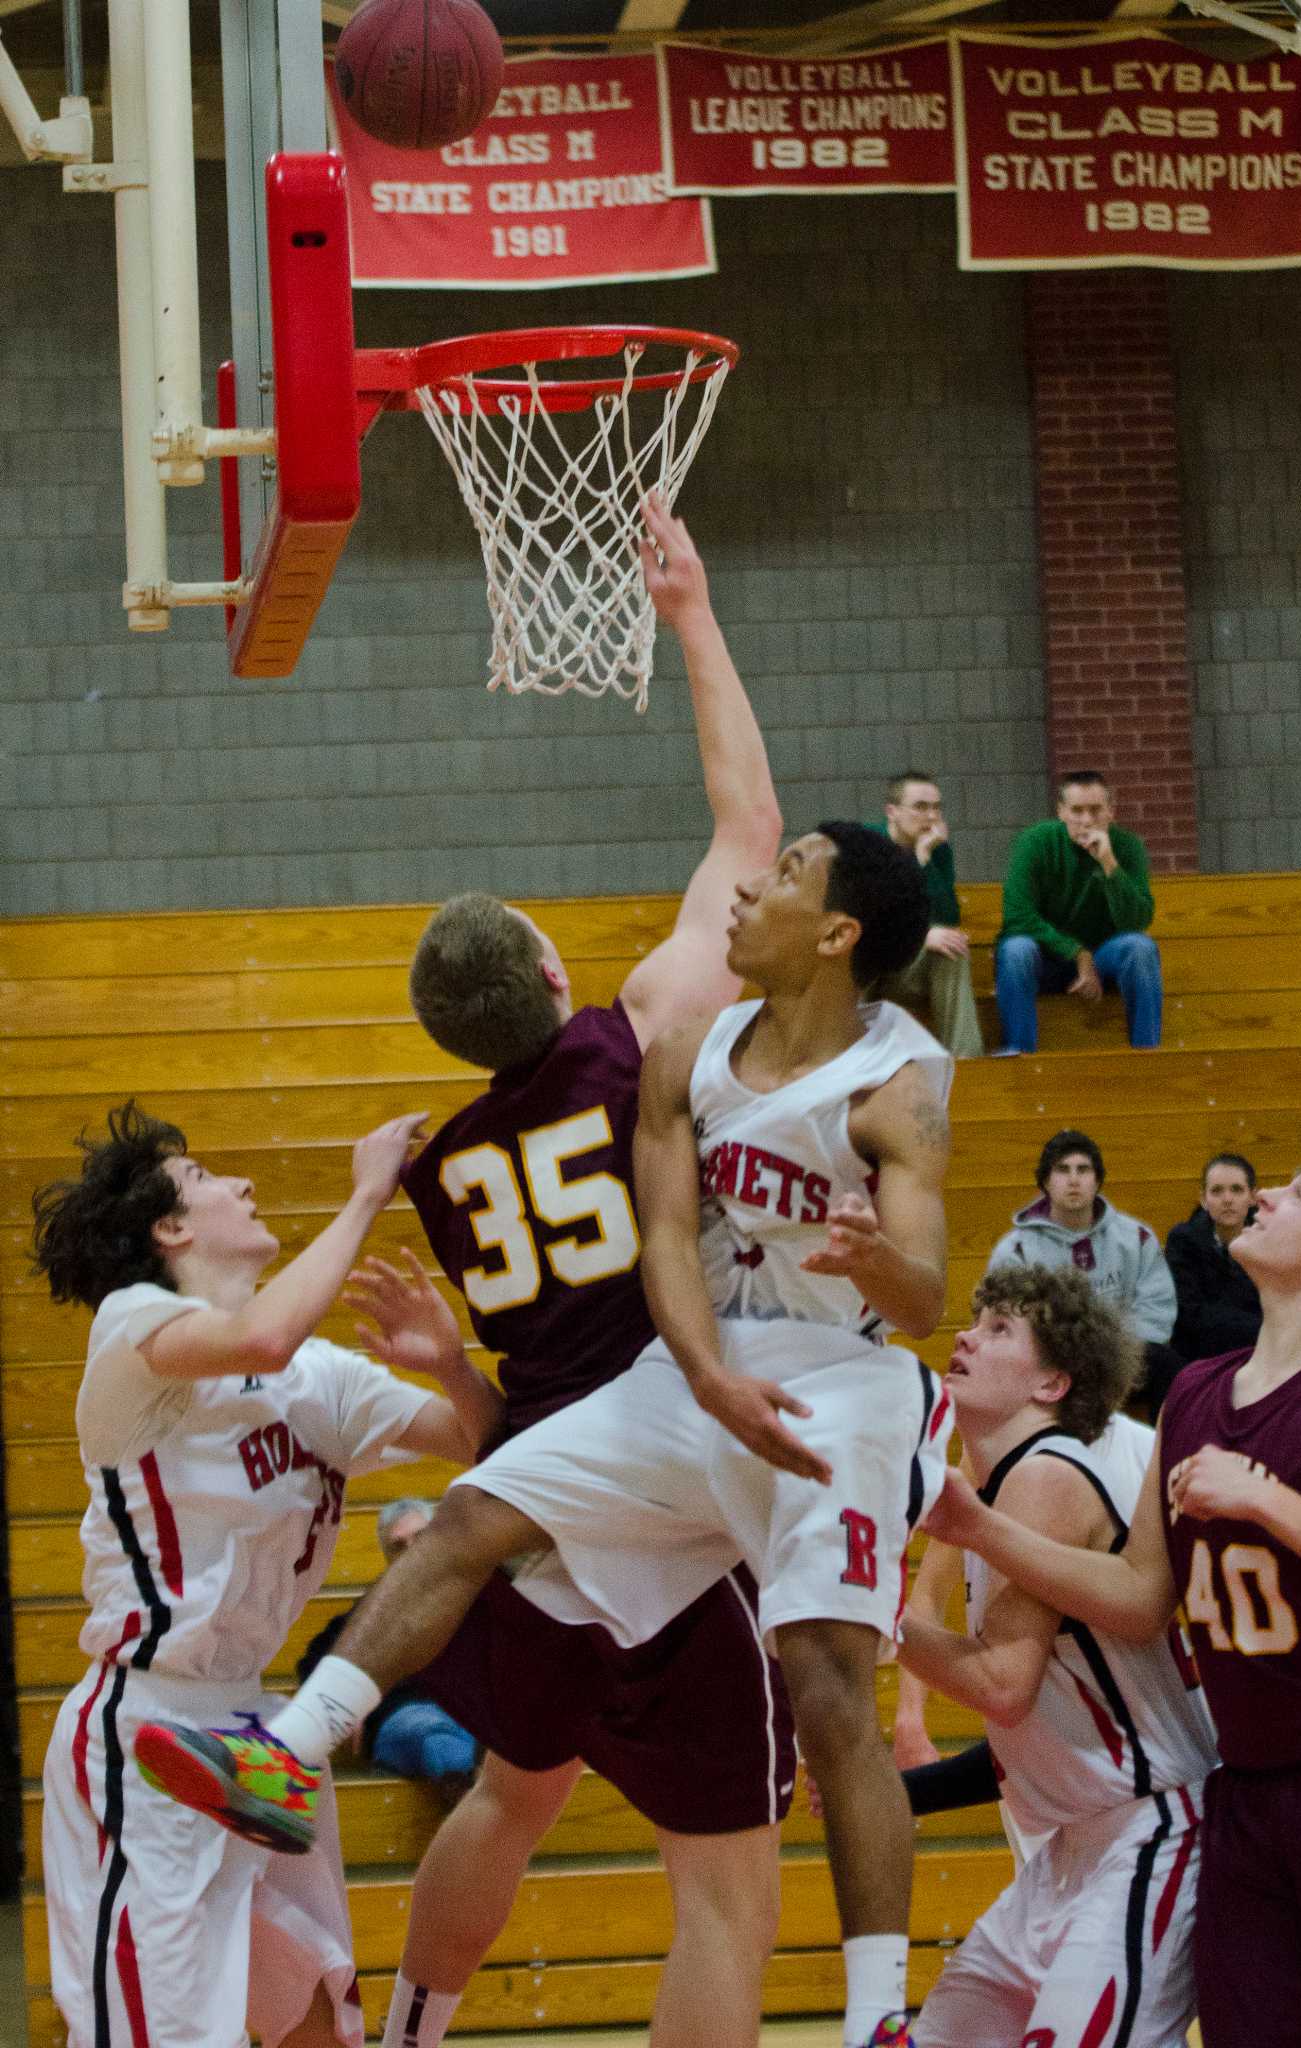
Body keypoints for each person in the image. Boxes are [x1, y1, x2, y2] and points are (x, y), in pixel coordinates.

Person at [139, 492, 797, 2048]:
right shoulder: (636, 1032)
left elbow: (526, 1363)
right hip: (659, 1472)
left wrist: (446, 1373)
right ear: (558, 973)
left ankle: (418, 2028)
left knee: (514, 1789)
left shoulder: (436, 1172)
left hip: (532, 1472)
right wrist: (690, 613)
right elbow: (746, 836)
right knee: (728, 1883)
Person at [142, 819, 956, 2048]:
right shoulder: (673, 1047)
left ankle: (875, 2016)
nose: (755, 880)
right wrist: (701, 1372)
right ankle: (286, 1754)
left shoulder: (893, 1078)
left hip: (835, 1383)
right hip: (681, 1370)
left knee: (818, 1692)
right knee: (473, 1525)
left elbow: (927, 1295)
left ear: (837, 931)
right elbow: (669, 1238)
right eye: (769, 861)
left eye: (787, 873)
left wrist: (875, 1262)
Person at [32, 1101, 490, 2048]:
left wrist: (449, 1365)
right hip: (146, 1735)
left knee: (316, 2015)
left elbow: (487, 1444)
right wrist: (368, 1193)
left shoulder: (318, 1380)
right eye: (206, 1180)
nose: (242, 1184)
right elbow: (259, 1341)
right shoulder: (134, 1332)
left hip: (263, 1736)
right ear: (172, 1229)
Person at [923, 1148, 1301, 2048]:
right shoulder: (1196, 1394)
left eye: (1299, 1191)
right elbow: (1135, 1598)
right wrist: (977, 1529)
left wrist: (1266, 1499)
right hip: (1242, 1790)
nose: (1270, 1192)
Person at [895, 1266, 1215, 2048]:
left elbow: (1002, 1686)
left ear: (1051, 1382)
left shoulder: (1044, 1473)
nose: (966, 1335)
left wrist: (862, 1613)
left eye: (1000, 1330)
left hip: (1153, 1831)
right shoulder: (991, 1488)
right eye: (974, 1320)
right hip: (1076, 1843)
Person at [296, 1500, 480, 1809]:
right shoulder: (368, 1615)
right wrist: (344, 1702)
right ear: (387, 1557)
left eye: (419, 1539)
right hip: (405, 1719)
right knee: (432, 1731)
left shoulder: (476, 1599)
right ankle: (467, 1797)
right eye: (398, 1546)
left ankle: (469, 1791)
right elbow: (313, 1663)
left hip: (473, 1717)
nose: (410, 1551)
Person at [987, 1128, 1182, 1419]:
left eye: (1083, 1169)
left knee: (1171, 1367)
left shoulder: (1135, 1238)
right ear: (1046, 1182)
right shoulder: (1016, 1250)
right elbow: (1004, 1319)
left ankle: (1167, 1458)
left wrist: (1112, 1352)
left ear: (1097, 1181)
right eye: (1063, 1170)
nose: (1074, 1179)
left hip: (1120, 1358)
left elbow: (1156, 1307)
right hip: (1052, 1361)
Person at [995, 770, 1161, 1054]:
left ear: (1111, 811)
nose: (1086, 820)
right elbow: (1017, 916)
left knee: (1140, 947)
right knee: (1015, 950)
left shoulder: (1128, 847)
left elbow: (1137, 920)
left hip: (1104, 959)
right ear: (1061, 812)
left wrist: (1109, 864)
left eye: (1095, 810)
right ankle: (1018, 1056)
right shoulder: (1035, 842)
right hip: (1046, 959)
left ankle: (1147, 1056)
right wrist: (1076, 952)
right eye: (1077, 811)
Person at [871, 770, 984, 1059]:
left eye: (936, 807)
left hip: (908, 970)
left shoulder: (938, 851)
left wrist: (927, 859)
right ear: (892, 812)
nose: (931, 817)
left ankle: (967, 1063)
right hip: (868, 969)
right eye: (921, 807)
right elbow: (869, 920)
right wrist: (919, 936)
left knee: (951, 948)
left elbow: (948, 914)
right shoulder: (869, 846)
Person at [1166, 1153, 1262, 1365]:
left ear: (1252, 1196)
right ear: (1203, 1199)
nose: (1227, 1199)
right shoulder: (1183, 1240)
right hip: (1201, 1356)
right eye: (1217, 1191)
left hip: (1260, 1355)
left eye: (1237, 1189)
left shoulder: (1268, 1239)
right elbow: (1188, 1314)